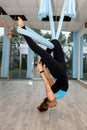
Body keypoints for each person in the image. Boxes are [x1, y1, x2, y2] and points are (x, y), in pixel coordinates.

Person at [17, 17, 69, 112]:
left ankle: (23, 29)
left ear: (48, 103)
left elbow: (47, 84)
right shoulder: (55, 95)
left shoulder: (51, 97)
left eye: (51, 106)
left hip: (59, 71)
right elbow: (50, 80)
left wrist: (41, 70)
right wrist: (44, 69)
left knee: (38, 50)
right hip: (61, 69)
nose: (54, 106)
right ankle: (42, 60)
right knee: (55, 43)